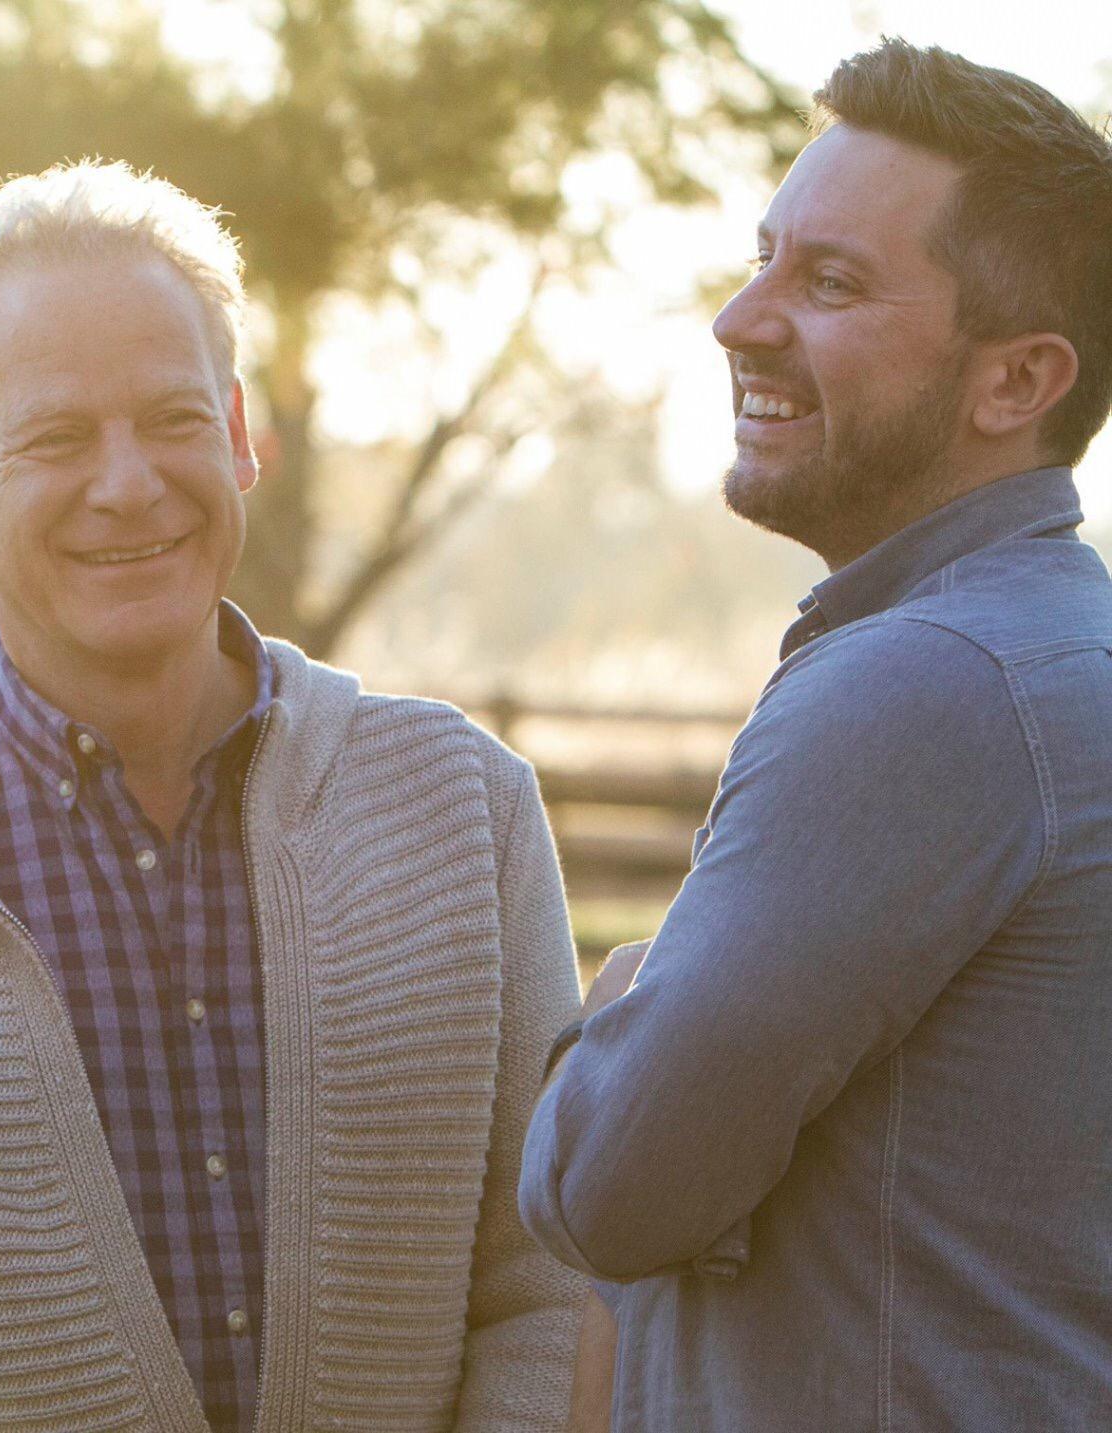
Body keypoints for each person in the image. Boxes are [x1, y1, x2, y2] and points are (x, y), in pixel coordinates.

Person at [0, 160, 587, 1432]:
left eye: (172, 419)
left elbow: (544, 1282)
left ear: (236, 432)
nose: (127, 482)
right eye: (58, 436)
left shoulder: (462, 805)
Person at [520, 40, 1112, 1431]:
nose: (739, 318)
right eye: (764, 257)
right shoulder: (1066, 661)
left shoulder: (931, 687)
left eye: (830, 283)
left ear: (1018, 380)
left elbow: (610, 1189)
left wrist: (613, 1020)